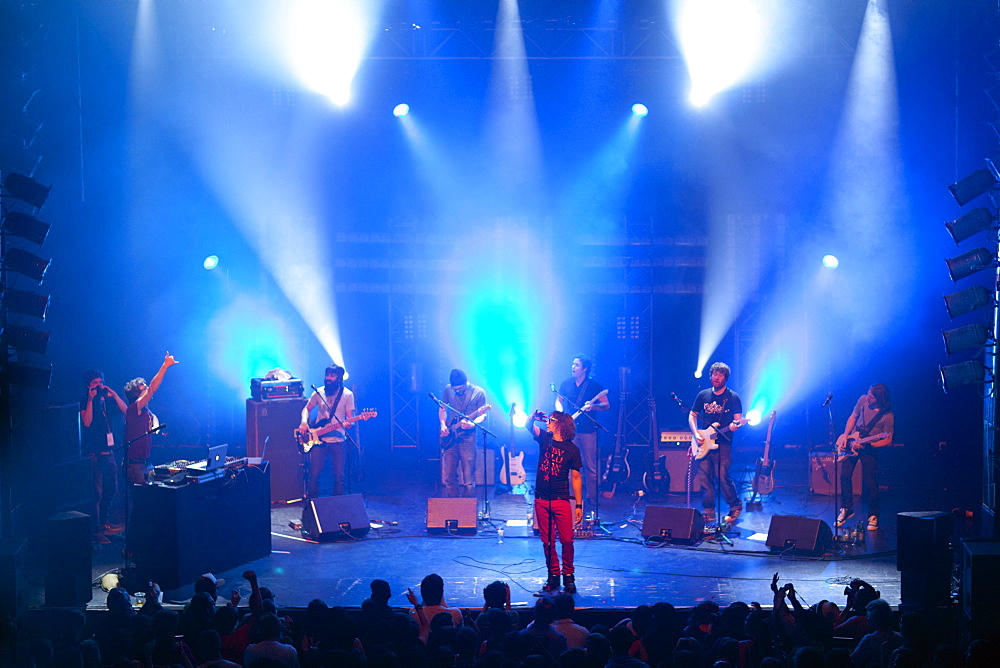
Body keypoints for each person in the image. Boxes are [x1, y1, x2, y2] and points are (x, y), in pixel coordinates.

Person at [528, 410, 583, 594]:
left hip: (561, 500)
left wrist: (579, 505)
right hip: (542, 499)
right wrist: (531, 417)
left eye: (551, 420)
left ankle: (568, 576)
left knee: (567, 540)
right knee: (548, 541)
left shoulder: (572, 450)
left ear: (560, 423)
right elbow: (528, 427)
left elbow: (576, 478)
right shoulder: (545, 439)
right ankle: (553, 576)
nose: (547, 423)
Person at [688, 361, 744, 525]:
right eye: (714, 374)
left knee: (722, 477)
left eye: (720, 375)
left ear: (725, 378)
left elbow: (738, 421)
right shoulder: (703, 395)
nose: (716, 377)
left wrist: (734, 427)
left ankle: (735, 505)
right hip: (703, 444)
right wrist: (695, 433)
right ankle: (709, 512)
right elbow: (692, 415)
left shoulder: (732, 397)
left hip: (723, 444)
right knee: (704, 479)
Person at [835, 384, 893, 531]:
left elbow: (887, 440)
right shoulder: (862, 400)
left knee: (871, 483)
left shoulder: (887, 416)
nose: (868, 397)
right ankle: (847, 509)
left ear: (879, 399)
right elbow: (853, 417)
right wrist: (846, 436)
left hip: (869, 448)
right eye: (868, 394)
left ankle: (873, 515)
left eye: (871, 397)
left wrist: (871, 446)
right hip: (852, 443)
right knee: (844, 476)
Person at [555, 355, 609, 511]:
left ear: (584, 368)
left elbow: (606, 404)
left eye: (576, 365)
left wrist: (594, 407)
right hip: (569, 430)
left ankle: (592, 497)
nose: (573, 367)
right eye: (572, 364)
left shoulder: (594, 385)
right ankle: (570, 496)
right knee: (569, 464)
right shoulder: (566, 384)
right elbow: (559, 400)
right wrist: (560, 413)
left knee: (590, 465)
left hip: (588, 430)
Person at [80, 369, 128, 545]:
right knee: (97, 494)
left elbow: (126, 411)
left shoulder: (107, 401)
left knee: (112, 488)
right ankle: (96, 530)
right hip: (94, 454)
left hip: (110, 453)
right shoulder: (84, 400)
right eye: (95, 383)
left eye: (101, 382)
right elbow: (86, 422)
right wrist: (91, 399)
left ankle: (105, 522)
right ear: (88, 386)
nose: (99, 386)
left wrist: (114, 395)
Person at [298, 363, 355, 498]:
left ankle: (337, 506)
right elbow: (307, 408)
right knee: (314, 475)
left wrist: (348, 424)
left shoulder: (347, 394)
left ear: (339, 378)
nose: (328, 378)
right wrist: (304, 422)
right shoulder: (318, 392)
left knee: (339, 477)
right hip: (318, 440)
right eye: (327, 375)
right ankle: (312, 506)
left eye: (332, 375)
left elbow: (349, 418)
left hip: (338, 440)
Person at [123, 352, 178, 485]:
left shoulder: (146, 410)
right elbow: (153, 388)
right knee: (141, 499)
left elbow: (154, 418)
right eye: (144, 389)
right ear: (136, 395)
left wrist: (155, 426)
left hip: (146, 462)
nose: (147, 389)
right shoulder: (134, 408)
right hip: (136, 464)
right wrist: (164, 366)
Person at [438, 369, 488, 498]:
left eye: (461, 389)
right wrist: (443, 424)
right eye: (456, 389)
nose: (458, 391)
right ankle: (453, 505)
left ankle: (467, 508)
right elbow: (442, 408)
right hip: (451, 436)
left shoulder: (478, 393)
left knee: (468, 479)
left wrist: (473, 423)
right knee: (449, 475)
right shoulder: (448, 389)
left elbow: (483, 415)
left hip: (468, 437)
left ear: (466, 383)